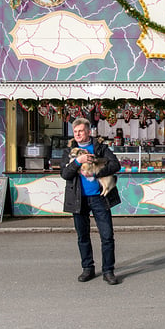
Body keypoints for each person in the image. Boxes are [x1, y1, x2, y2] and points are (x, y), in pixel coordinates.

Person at [61, 117, 121, 284]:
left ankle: (108, 271)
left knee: (107, 235)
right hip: (78, 199)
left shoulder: (100, 148)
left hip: (99, 198)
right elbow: (65, 174)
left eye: (81, 131)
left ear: (88, 131)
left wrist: (96, 172)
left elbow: (116, 165)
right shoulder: (69, 152)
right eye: (75, 132)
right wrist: (78, 162)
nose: (78, 134)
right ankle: (88, 268)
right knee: (83, 236)